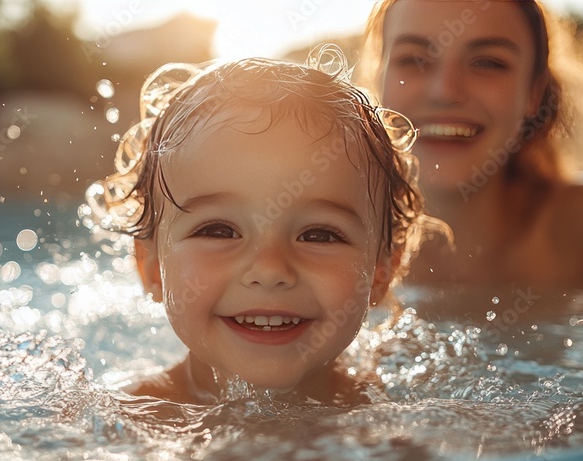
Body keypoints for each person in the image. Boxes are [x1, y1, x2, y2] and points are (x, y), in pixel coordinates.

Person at [85, 49, 432, 405]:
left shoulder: (397, 429)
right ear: (152, 267)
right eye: (218, 230)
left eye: (318, 235)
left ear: (380, 271)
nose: (269, 269)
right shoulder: (121, 422)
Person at [359, 0, 583, 294]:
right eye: (414, 60)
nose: (445, 91)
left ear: (534, 92)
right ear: (379, 79)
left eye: (487, 62)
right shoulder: (338, 242)